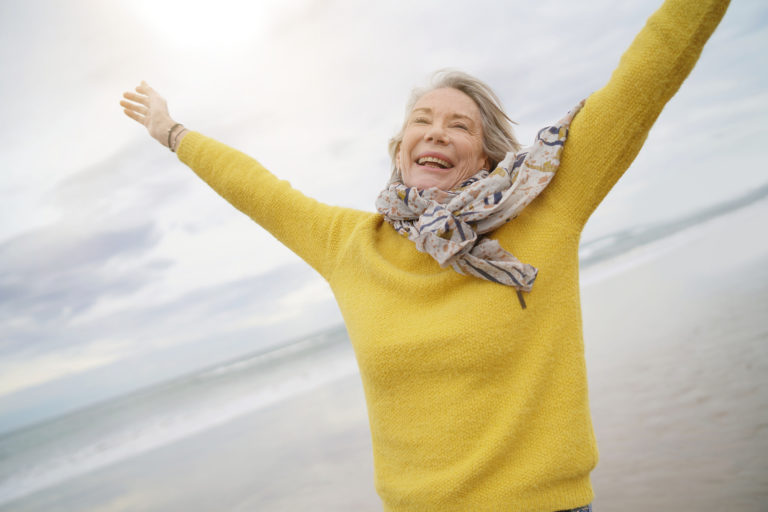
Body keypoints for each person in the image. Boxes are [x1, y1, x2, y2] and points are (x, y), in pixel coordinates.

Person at [120, 0, 729, 510]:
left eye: (460, 126)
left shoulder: (545, 209)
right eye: (422, 120)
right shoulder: (350, 245)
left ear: (487, 155)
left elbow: (647, 75)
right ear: (400, 147)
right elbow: (259, 190)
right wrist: (174, 133)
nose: (437, 132)